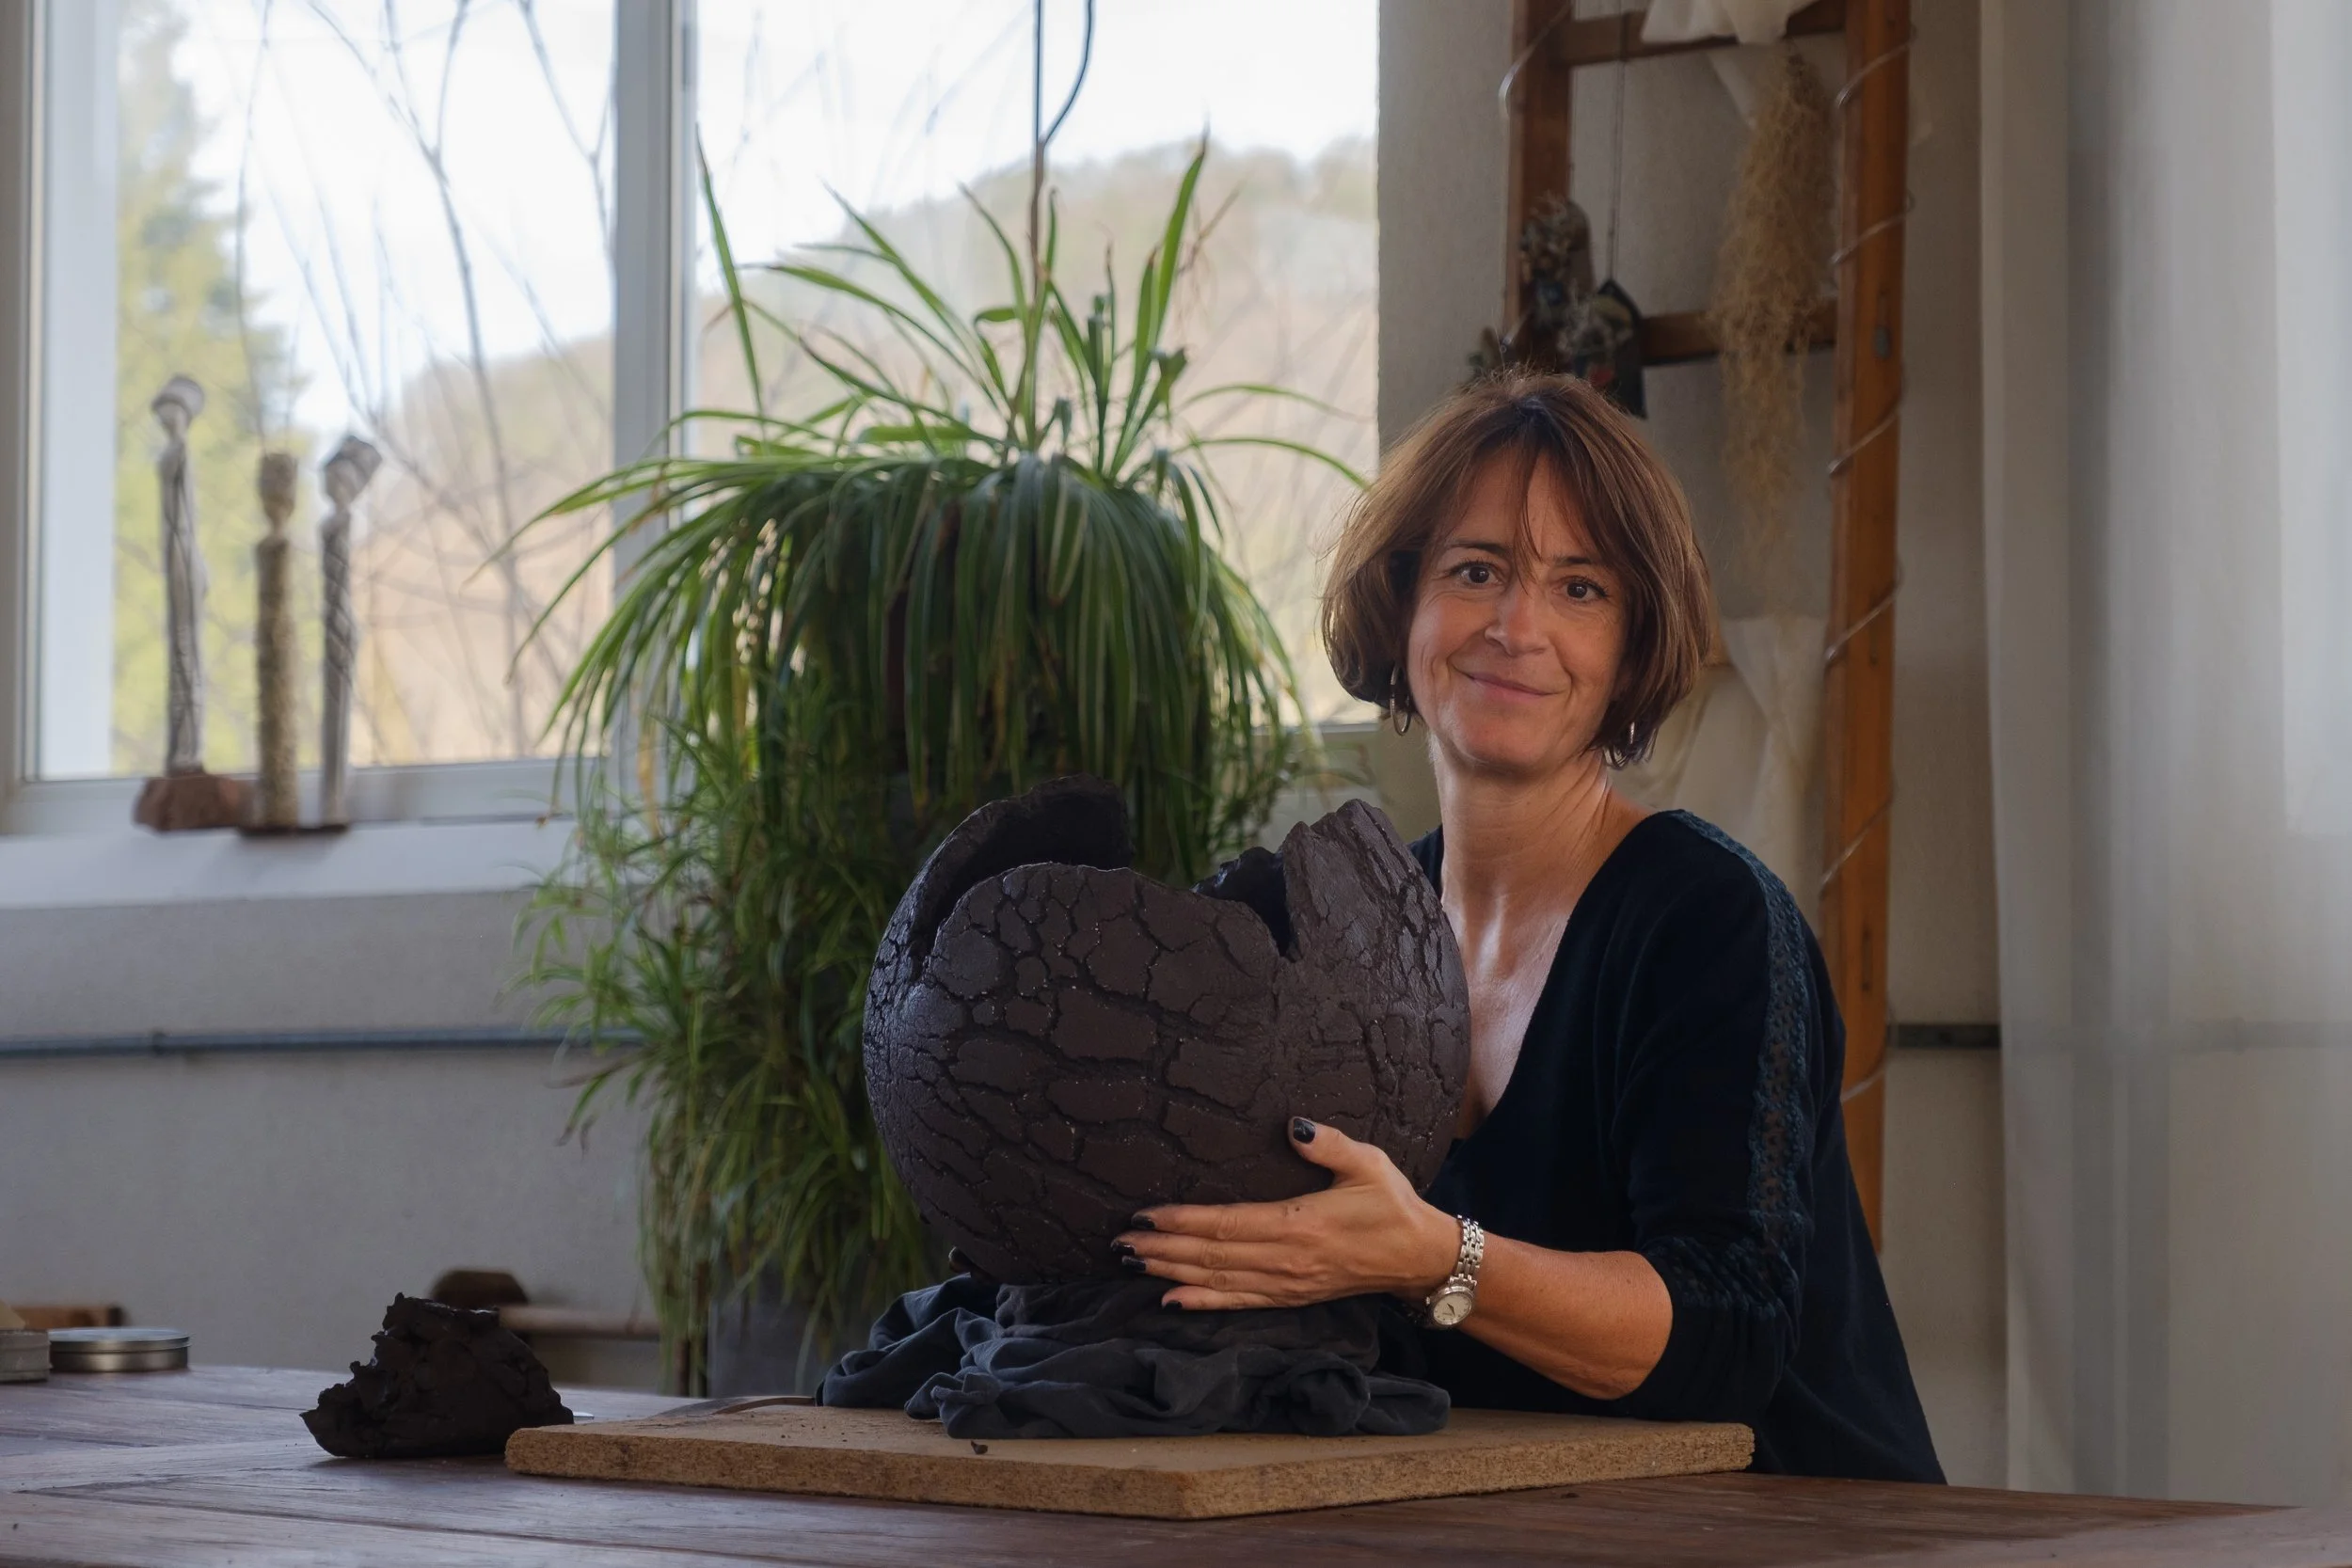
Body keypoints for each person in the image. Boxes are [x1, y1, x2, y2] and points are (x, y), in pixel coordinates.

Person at [1112, 372, 1943, 1482]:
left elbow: (1727, 1334)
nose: (1517, 627)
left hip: (1795, 1523)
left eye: (1580, 588)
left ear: (1632, 647)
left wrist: (1432, 1258)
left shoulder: (1710, 920)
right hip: (1501, 1515)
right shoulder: (1349, 934)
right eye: (1476, 571)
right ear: (1401, 603)